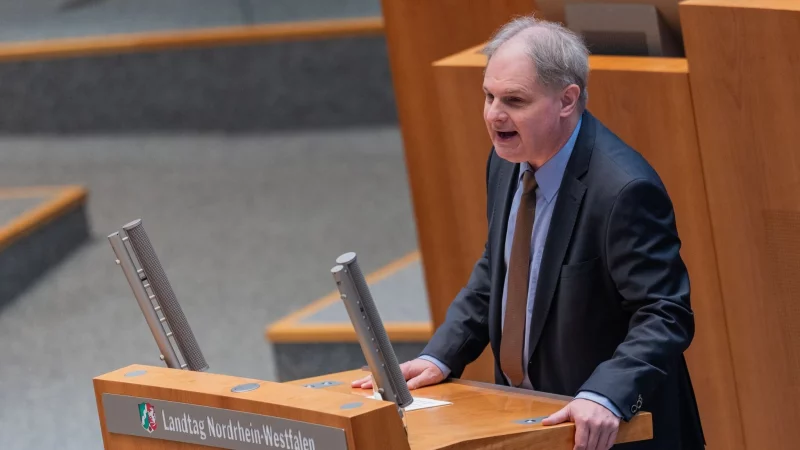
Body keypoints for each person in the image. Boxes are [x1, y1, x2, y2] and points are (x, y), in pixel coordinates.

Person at [353, 14, 705, 450]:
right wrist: (440, 354)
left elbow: (664, 312)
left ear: (566, 100)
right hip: (528, 424)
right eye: (488, 95)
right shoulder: (506, 161)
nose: (494, 115)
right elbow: (498, 270)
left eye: (515, 100)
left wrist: (604, 394)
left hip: (613, 435)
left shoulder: (623, 190)